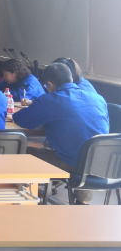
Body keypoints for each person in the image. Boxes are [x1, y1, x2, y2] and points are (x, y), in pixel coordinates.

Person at [13, 63, 108, 204]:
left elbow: (21, 119)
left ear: (49, 84)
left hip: (71, 162)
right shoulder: (98, 98)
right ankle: (82, 202)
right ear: (71, 79)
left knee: (19, 150)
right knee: (85, 147)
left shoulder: (52, 99)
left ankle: (27, 200)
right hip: (103, 164)